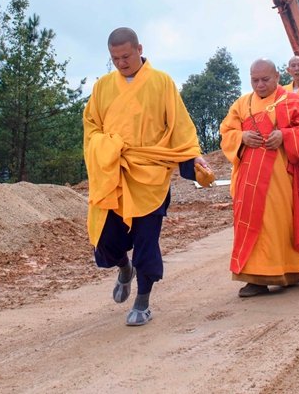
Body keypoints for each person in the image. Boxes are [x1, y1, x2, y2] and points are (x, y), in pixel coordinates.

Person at [83, 27, 212, 326]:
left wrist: (194, 155)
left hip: (150, 175)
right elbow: (91, 126)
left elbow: (180, 124)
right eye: (115, 58)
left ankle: (143, 300)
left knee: (146, 239)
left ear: (139, 49)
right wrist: (105, 148)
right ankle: (123, 268)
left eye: (126, 56)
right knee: (105, 237)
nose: (121, 63)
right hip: (113, 172)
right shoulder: (103, 86)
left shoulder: (161, 82)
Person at [220, 59, 299, 298]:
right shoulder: (242, 103)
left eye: (265, 79)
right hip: (249, 176)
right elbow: (226, 132)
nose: (259, 85)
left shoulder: (292, 101)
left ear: (277, 77)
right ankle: (256, 277)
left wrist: (285, 136)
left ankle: (291, 271)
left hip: (281, 175)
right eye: (255, 80)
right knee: (252, 222)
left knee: (280, 221)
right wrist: (242, 137)